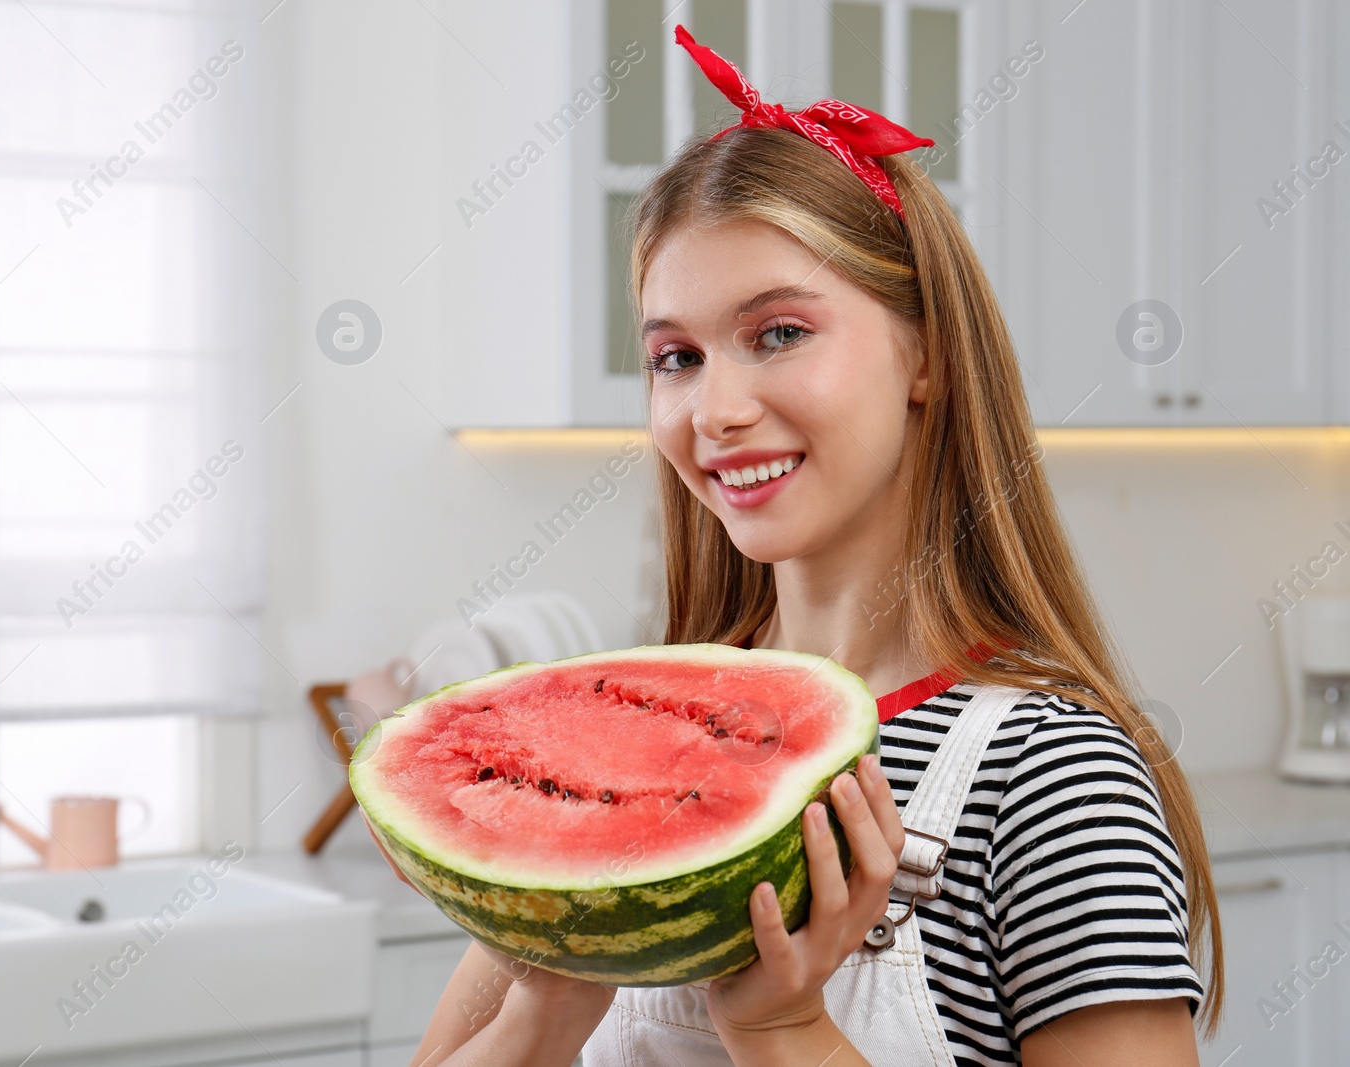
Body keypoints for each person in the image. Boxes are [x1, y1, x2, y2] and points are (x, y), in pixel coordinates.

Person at [377, 25, 1221, 1067]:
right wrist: (546, 995)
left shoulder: (1054, 778)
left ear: (924, 353)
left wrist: (783, 1029)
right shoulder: (618, 738)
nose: (714, 408)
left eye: (779, 332)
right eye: (673, 356)